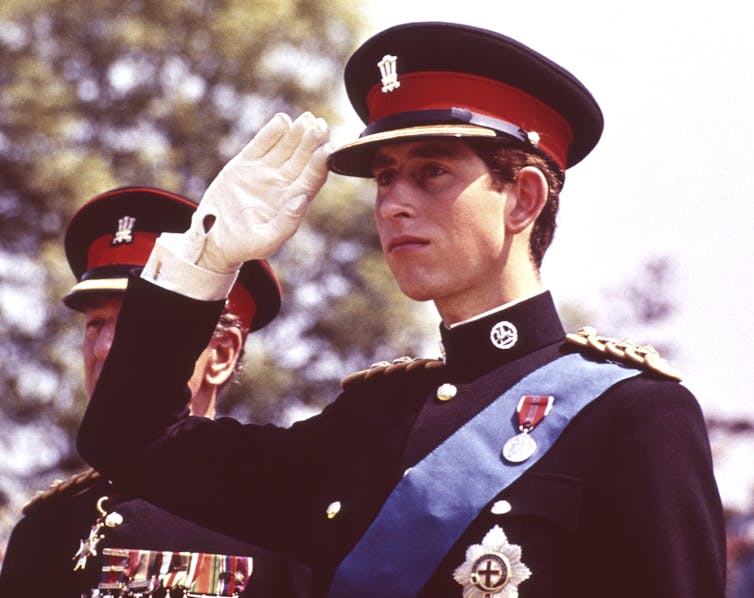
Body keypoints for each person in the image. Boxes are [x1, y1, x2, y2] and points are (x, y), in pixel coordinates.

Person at [76, 23, 726, 598]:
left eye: (431, 172)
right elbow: (131, 440)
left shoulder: (631, 416)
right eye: (385, 177)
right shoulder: (372, 419)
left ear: (523, 198)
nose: (393, 203)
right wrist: (206, 260)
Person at [0, 187, 312, 597]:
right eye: (95, 324)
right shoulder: (45, 527)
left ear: (221, 354)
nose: (105, 347)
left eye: (133, 327)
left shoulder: (278, 514)